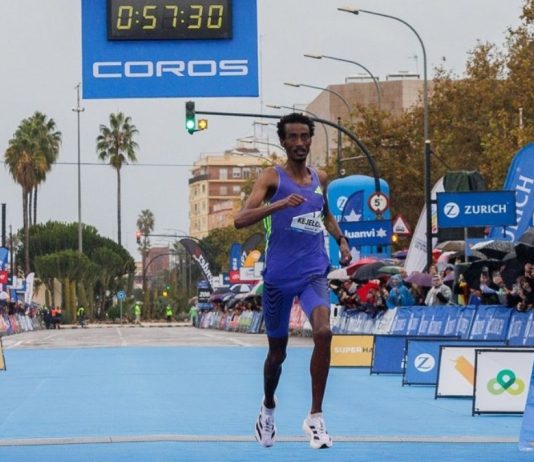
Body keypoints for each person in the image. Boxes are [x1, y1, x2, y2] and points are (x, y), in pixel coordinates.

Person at [234, 113, 351, 450]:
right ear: (283, 142)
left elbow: (324, 212)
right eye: (293, 138)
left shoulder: (320, 177)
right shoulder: (271, 178)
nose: (299, 143)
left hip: (314, 271)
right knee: (277, 355)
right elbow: (240, 220)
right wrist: (280, 204)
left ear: (310, 140)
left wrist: (341, 241)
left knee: (324, 332)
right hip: (279, 279)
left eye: (305, 137)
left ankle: (315, 418)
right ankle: (268, 408)